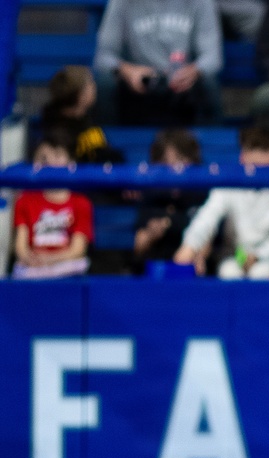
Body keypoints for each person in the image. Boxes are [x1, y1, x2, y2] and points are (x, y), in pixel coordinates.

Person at [173, 125, 269, 280]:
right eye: (254, 148)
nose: (259, 157)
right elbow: (207, 218)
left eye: (266, 149)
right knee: (229, 272)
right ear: (243, 155)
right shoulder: (229, 183)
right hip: (235, 258)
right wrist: (189, 246)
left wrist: (257, 256)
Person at [93, 0, 223, 126]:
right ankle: (108, 142)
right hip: (139, 83)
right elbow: (103, 56)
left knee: (208, 80)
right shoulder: (122, 2)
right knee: (106, 81)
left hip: (184, 86)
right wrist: (127, 70)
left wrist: (194, 71)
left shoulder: (201, 2)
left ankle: (211, 143)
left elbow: (212, 58)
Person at [11, 132, 94, 280]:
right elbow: (21, 247)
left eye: (57, 155)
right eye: (43, 157)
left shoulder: (81, 202)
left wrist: (50, 260)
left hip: (67, 267)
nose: (49, 162)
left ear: (71, 162)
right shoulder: (24, 200)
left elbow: (77, 250)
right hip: (33, 268)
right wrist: (30, 259)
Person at [132, 129, 209, 275]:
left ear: (192, 160)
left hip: (192, 267)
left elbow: (209, 241)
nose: (174, 168)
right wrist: (150, 234)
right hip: (156, 269)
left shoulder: (201, 194)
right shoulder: (152, 195)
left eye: (180, 160)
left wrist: (200, 254)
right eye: (167, 163)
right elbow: (138, 246)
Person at [40, 66, 124, 165]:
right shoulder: (56, 132)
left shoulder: (88, 120)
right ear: (80, 94)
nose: (94, 86)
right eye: (90, 83)